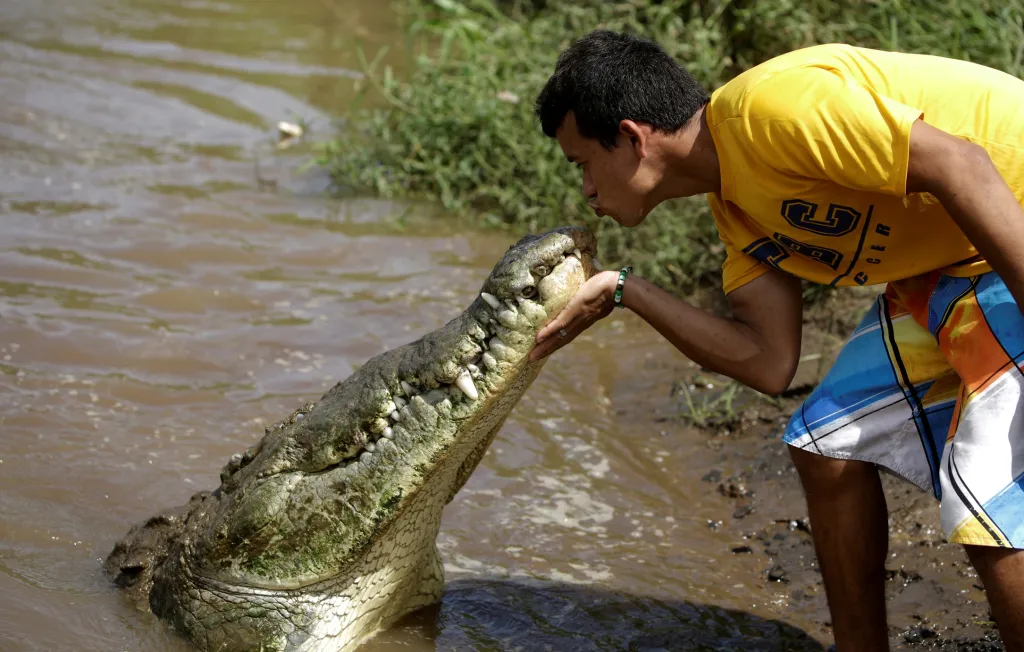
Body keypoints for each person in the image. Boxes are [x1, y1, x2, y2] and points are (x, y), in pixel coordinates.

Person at [528, 29, 1024, 651]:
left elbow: (962, 164)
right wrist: (625, 291)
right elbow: (769, 363)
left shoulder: (770, 112)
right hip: (949, 269)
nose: (586, 190)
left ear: (631, 137)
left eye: (583, 165)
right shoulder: (735, 211)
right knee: (828, 444)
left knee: (986, 494)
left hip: (1010, 228)